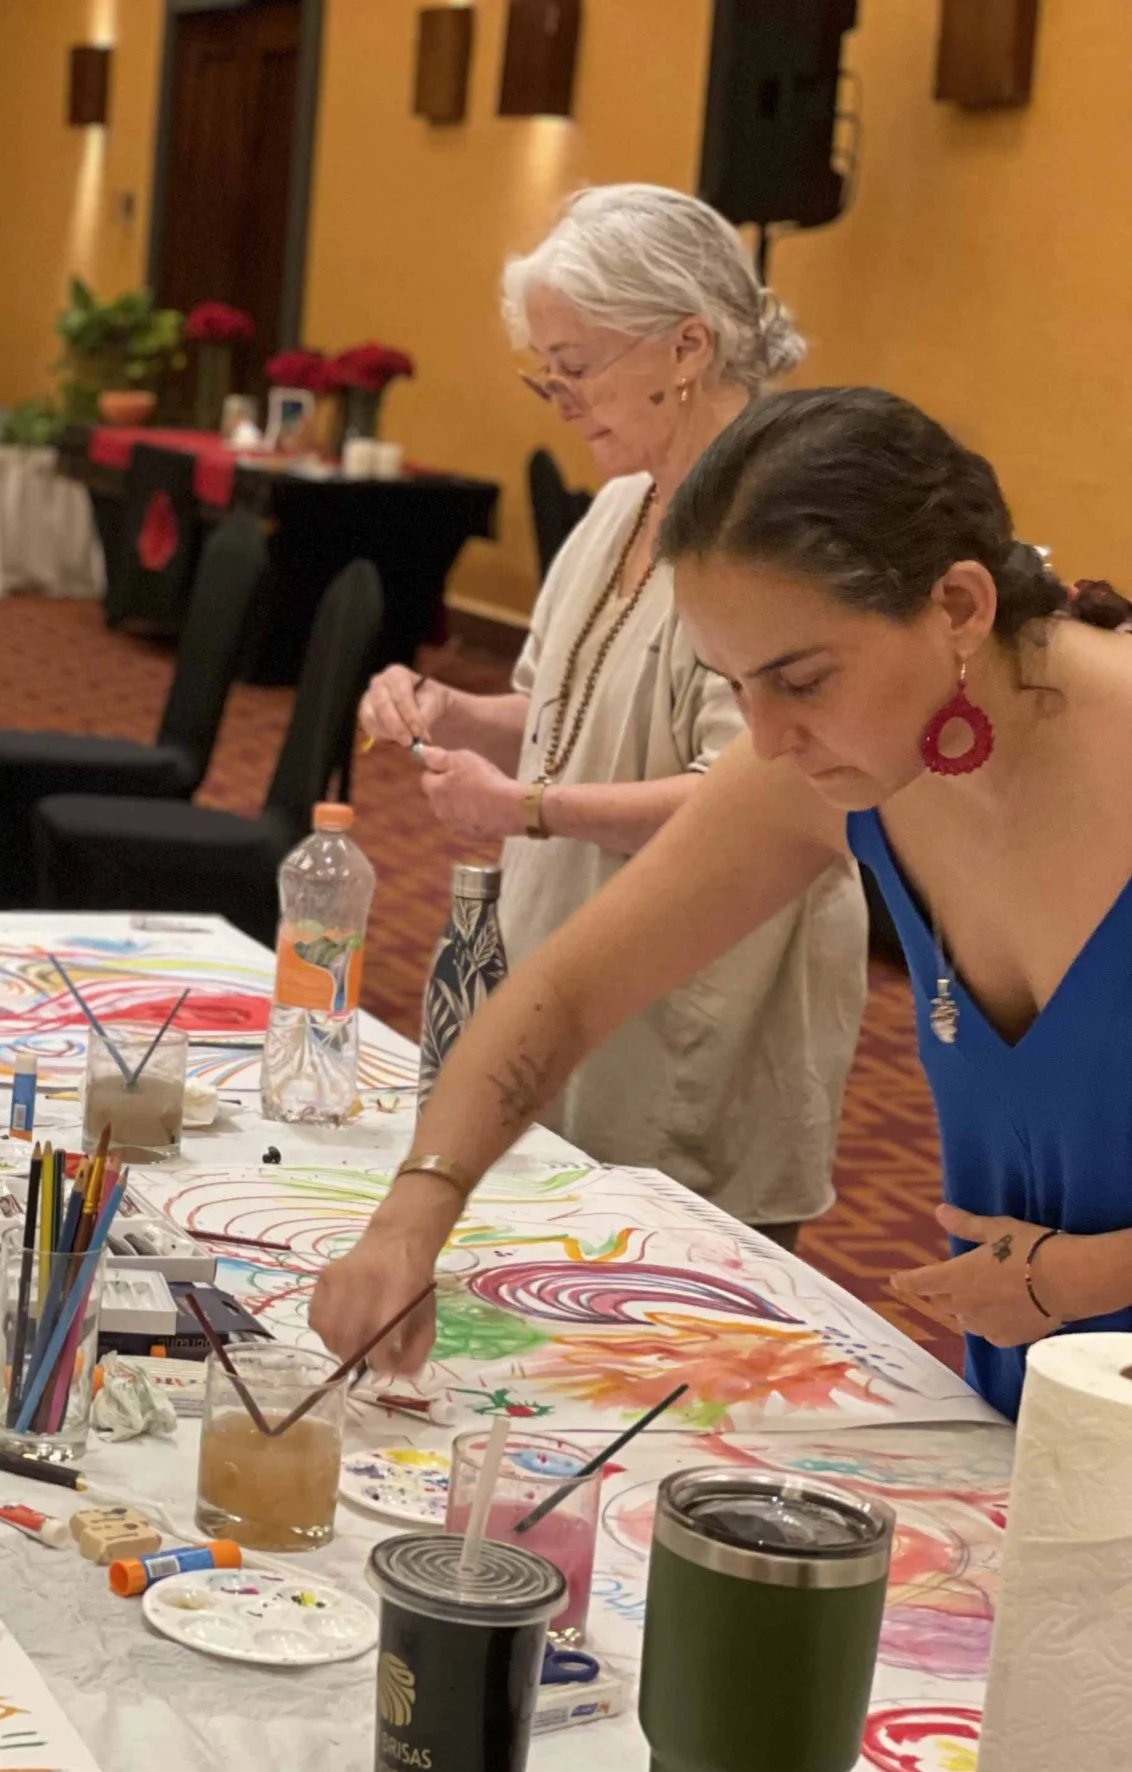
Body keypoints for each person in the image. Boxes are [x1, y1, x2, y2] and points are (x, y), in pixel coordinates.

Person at [312, 386, 1132, 1421]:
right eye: (733, 685)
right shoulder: (814, 767)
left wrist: (1075, 1281)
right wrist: (414, 1210)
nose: (768, 736)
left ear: (959, 607)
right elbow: (568, 990)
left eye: (800, 677)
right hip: (1055, 1405)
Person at [355, 185, 866, 1239]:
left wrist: (525, 809)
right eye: (543, 372)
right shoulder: (620, 502)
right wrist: (450, 709)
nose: (558, 396)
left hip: (699, 999)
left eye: (575, 367)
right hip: (574, 961)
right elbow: (552, 706)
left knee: (672, 1316)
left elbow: (753, 799)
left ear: (687, 345)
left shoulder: (781, 530)